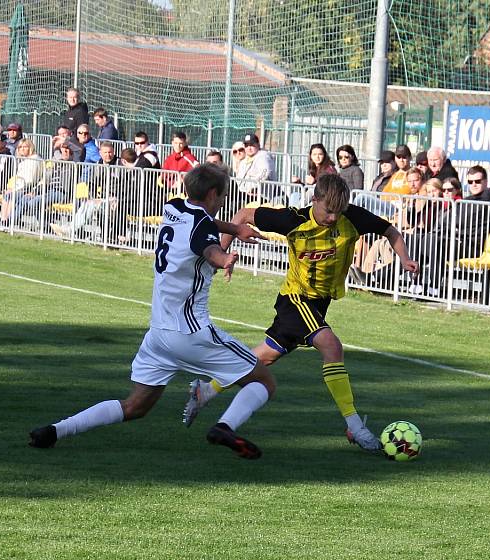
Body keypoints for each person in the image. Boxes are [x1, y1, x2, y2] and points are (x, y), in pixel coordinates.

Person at [29, 163, 275, 459]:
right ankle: (225, 426)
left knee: (134, 406)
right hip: (191, 333)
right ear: (212, 194)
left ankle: (55, 430)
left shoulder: (173, 207)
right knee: (263, 381)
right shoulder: (203, 229)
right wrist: (224, 259)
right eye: (222, 195)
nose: (223, 201)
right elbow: (209, 247)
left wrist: (235, 228)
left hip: (158, 335)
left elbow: (204, 224)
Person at [182, 173, 419, 451]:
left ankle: (206, 390)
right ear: (314, 199)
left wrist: (403, 257)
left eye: (339, 211)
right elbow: (244, 214)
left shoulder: (352, 217)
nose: (333, 217)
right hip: (296, 299)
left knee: (264, 357)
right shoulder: (293, 219)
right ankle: (355, 425)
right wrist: (222, 253)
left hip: (318, 303)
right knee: (332, 347)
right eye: (328, 210)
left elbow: (390, 231)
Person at [0, 138, 42, 224]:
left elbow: (31, 179)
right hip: (20, 187)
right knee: (7, 195)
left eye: (25, 146)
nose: (22, 149)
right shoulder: (23, 161)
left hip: (29, 189)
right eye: (20, 147)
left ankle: (7, 222)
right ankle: (3, 220)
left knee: (11, 195)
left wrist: (15, 189)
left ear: (30, 147)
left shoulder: (35, 159)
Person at [235, 132, 276, 198]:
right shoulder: (244, 160)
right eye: (246, 145)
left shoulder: (263, 157)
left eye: (252, 145)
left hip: (260, 196)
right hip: (244, 194)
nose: (249, 148)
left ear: (258, 145)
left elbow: (265, 174)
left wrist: (253, 188)